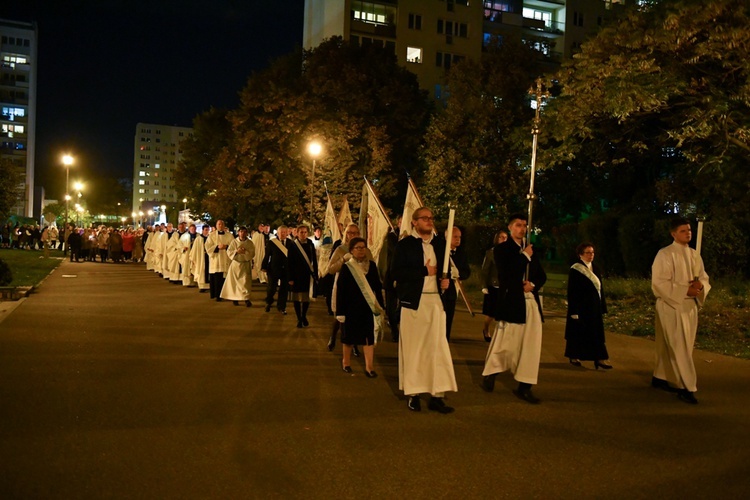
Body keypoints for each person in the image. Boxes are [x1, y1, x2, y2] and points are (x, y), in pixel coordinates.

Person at [393, 206, 457, 414]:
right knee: (415, 350)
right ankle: (414, 394)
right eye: (425, 218)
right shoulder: (405, 245)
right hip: (414, 304)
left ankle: (437, 394)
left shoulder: (441, 244)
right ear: (414, 222)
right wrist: (424, 271)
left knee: (437, 350)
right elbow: (397, 273)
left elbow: (455, 268)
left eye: (431, 218)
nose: (429, 221)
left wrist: (446, 281)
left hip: (436, 303)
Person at [482, 212, 547, 404]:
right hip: (512, 302)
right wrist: (524, 257)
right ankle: (491, 372)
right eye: (518, 225)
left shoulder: (530, 250)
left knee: (530, 347)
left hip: (530, 303)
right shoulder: (502, 250)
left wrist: (532, 284)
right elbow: (507, 275)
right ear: (510, 228)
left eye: (524, 225)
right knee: (506, 343)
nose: (522, 228)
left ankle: (525, 386)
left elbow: (541, 275)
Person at [651, 217, 710, 404]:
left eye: (689, 230)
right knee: (680, 346)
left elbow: (703, 278)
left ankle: (660, 376)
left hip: (689, 306)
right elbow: (659, 283)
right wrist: (685, 290)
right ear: (673, 233)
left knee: (677, 345)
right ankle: (687, 386)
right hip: (671, 305)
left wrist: (700, 286)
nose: (688, 233)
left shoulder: (694, 255)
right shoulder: (665, 254)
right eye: (683, 231)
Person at [335, 237, 385, 377]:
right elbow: (341, 290)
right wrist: (340, 311)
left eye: (363, 247)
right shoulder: (347, 267)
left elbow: (377, 287)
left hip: (367, 308)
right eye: (358, 247)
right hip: (350, 308)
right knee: (349, 338)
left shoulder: (372, 266)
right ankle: (346, 362)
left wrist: (381, 306)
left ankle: (370, 367)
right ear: (351, 250)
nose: (361, 250)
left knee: (368, 338)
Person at [564, 243, 611, 369]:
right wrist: (574, 311)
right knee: (578, 332)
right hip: (581, 307)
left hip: (594, 306)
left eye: (592, 253)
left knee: (596, 333)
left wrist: (602, 306)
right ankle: (574, 356)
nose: (591, 255)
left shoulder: (596, 268)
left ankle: (599, 358)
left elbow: (601, 289)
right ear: (580, 255)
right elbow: (572, 291)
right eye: (588, 253)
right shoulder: (575, 269)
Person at [441, 226, 471, 342]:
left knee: (448, 319)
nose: (458, 239)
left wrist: (459, 274)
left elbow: (466, 271)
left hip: (452, 291)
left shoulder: (461, 253)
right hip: (440, 290)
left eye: (459, 237)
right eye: (455, 237)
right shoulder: (441, 251)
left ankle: (445, 341)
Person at [287, 224, 318, 328]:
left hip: (307, 275)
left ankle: (303, 315)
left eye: (305, 232)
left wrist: (315, 275)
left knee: (306, 298)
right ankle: (299, 318)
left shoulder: (310, 244)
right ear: (297, 233)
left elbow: (314, 261)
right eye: (301, 232)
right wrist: (290, 277)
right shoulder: (293, 245)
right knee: (296, 297)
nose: (303, 234)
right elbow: (289, 262)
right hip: (296, 275)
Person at [481, 230, 508, 342]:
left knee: (503, 312)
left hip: (505, 286)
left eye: (505, 237)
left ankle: (500, 334)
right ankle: (486, 328)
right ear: (497, 238)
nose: (503, 239)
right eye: (501, 237)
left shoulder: (509, 253)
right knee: (491, 313)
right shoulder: (491, 253)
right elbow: (485, 270)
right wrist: (484, 285)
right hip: (493, 285)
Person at [220, 226, 255, 306]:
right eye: (241, 232)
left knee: (245, 283)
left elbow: (252, 253)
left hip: (245, 264)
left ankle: (246, 299)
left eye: (244, 232)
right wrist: (236, 251)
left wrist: (245, 252)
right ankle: (235, 298)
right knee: (234, 283)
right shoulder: (234, 242)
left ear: (246, 233)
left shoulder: (250, 243)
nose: (242, 233)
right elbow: (229, 252)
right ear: (238, 232)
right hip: (236, 264)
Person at [262, 225, 290, 314]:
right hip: (273, 269)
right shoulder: (272, 243)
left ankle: (282, 306)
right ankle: (268, 302)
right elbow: (267, 256)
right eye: (281, 232)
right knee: (271, 288)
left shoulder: (291, 243)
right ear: (277, 233)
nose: (283, 234)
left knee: (284, 289)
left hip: (286, 269)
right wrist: (264, 266)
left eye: (284, 232)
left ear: (287, 233)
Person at [205, 220, 234, 301]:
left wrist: (226, 246)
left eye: (222, 224)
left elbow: (233, 245)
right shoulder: (212, 235)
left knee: (225, 279)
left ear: (224, 225)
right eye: (219, 224)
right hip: (216, 259)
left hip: (225, 259)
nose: (220, 225)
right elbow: (207, 246)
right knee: (217, 278)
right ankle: (217, 295)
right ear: (216, 225)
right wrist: (217, 247)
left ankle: (226, 294)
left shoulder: (229, 235)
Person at [190, 225, 211, 293]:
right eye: (206, 230)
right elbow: (194, 249)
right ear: (202, 230)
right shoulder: (198, 239)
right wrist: (193, 258)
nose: (207, 231)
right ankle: (202, 286)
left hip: (209, 257)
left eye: (208, 230)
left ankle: (209, 286)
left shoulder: (211, 238)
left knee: (209, 271)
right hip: (201, 257)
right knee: (201, 271)